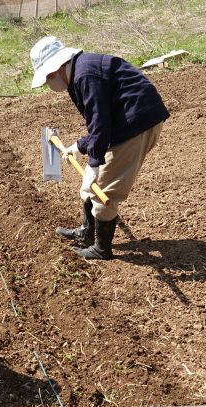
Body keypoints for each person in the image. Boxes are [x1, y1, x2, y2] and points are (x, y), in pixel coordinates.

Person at [29, 36, 169, 260]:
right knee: (90, 186)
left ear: (56, 68)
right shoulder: (81, 72)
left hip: (139, 124)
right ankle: (88, 232)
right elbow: (100, 122)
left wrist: (93, 166)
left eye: (47, 78)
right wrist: (81, 146)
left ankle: (102, 248)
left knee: (104, 188)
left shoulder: (85, 75)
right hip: (126, 122)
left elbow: (101, 124)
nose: (49, 84)